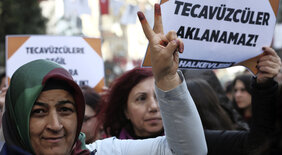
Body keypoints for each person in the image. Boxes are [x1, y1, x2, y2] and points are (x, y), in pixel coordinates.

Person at [1, 4, 207, 154]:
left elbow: (188, 151)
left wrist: (166, 77)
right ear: (16, 120)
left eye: (65, 110)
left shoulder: (102, 152)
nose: (55, 125)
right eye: (38, 112)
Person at [103, 68, 164, 139]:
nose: (153, 107)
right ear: (125, 111)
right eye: (141, 98)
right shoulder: (108, 148)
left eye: (160, 97)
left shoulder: (179, 146)